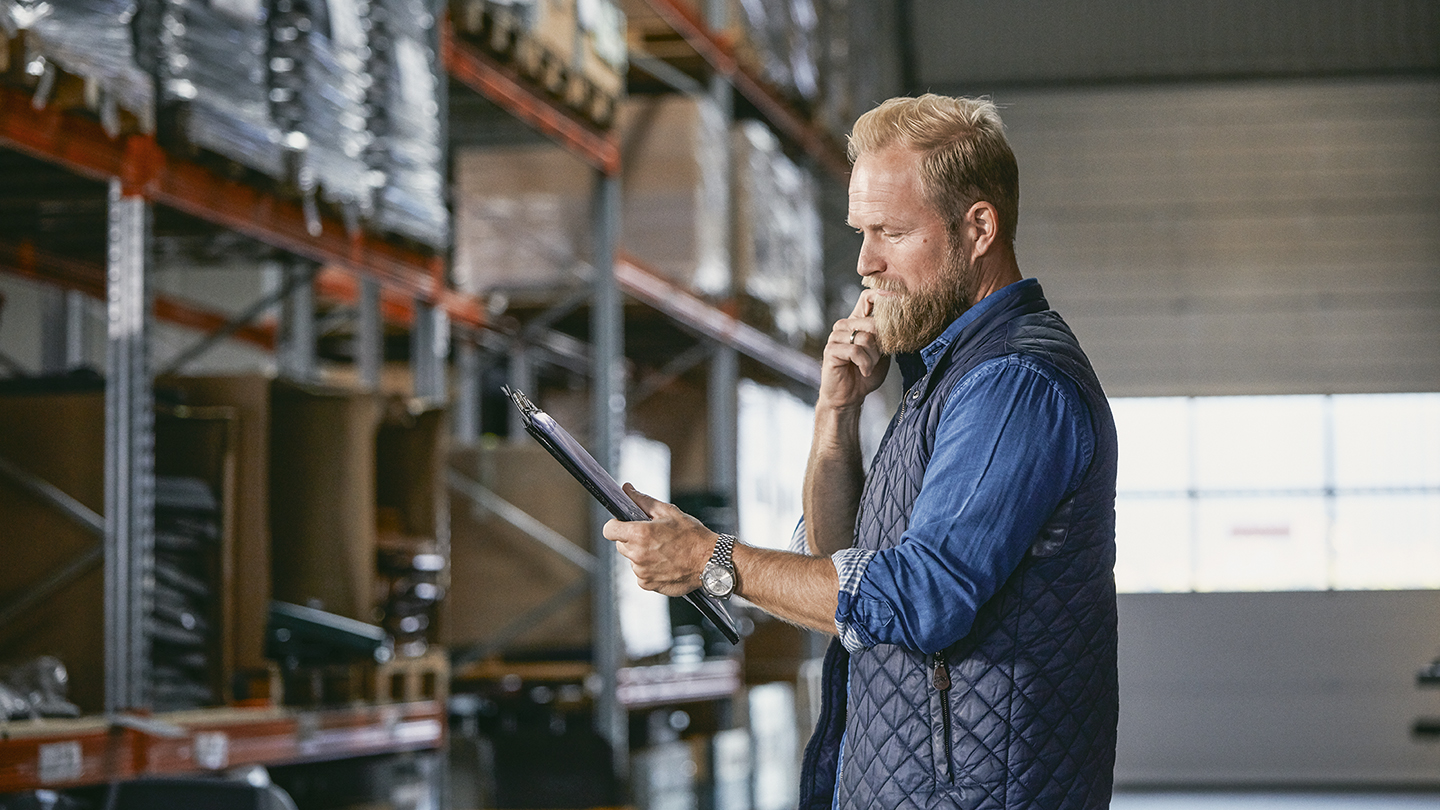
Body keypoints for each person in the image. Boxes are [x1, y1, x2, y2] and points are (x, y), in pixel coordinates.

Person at [604, 94, 1118, 809]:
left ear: (977, 229)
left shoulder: (1013, 384)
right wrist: (837, 412)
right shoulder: (942, 378)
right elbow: (841, 571)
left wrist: (712, 561)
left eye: (891, 232)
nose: (866, 262)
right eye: (860, 231)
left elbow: (921, 597)